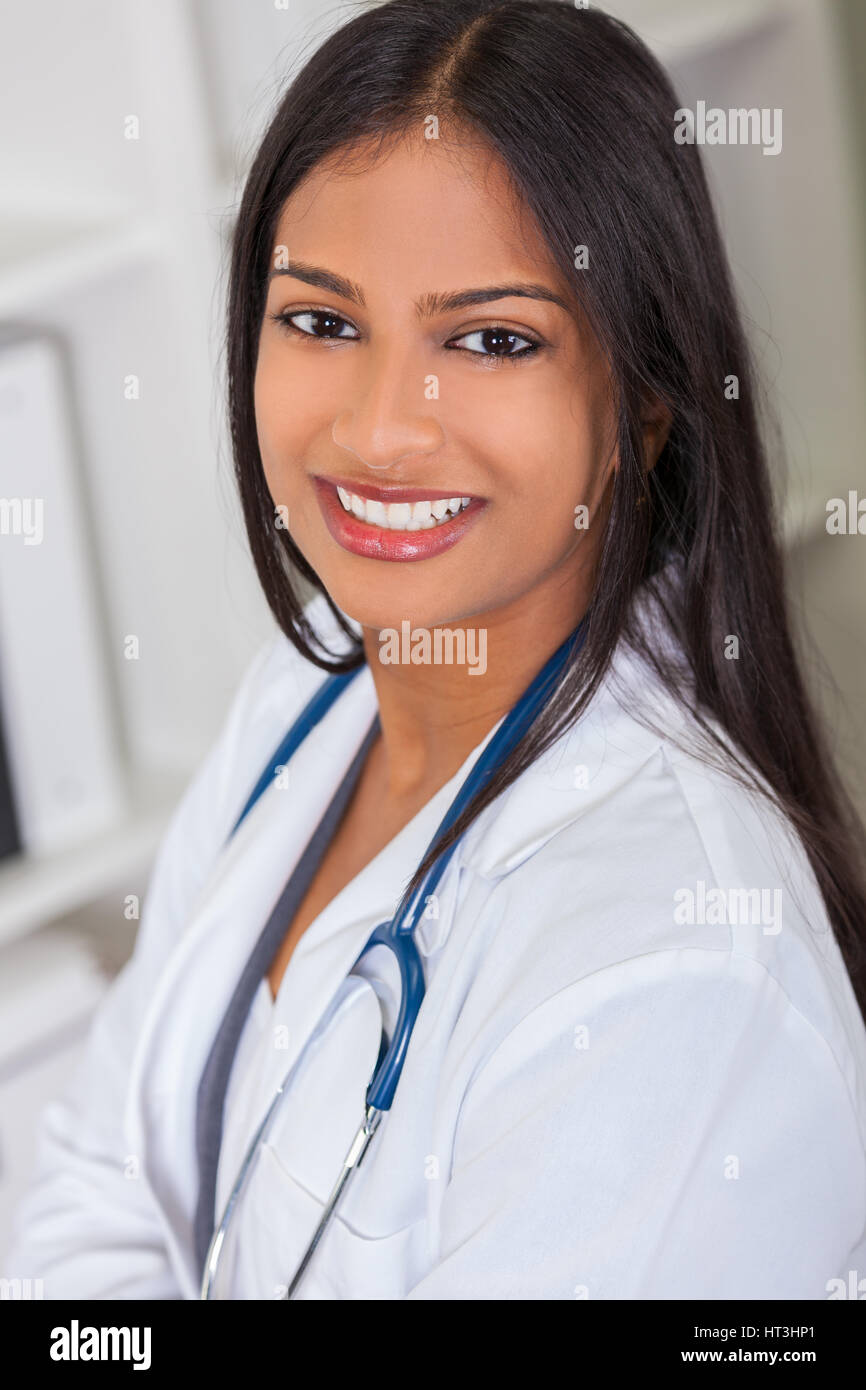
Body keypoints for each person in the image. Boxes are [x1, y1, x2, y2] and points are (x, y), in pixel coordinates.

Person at [6, 0, 866, 1300]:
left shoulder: (672, 963)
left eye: (490, 339)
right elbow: (99, 1176)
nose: (380, 430)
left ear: (642, 402)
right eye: (322, 321)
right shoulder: (306, 692)